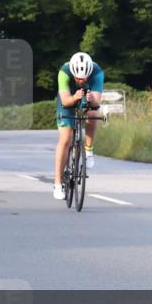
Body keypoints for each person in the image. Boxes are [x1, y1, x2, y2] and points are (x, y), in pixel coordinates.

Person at [54, 52, 104, 200]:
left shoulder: (97, 72)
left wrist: (91, 100)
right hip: (68, 98)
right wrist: (75, 97)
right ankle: (57, 183)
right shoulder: (64, 72)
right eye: (77, 78)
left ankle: (88, 150)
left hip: (87, 96)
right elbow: (65, 101)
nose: (80, 81)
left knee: (93, 114)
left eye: (84, 79)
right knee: (65, 138)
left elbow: (96, 104)